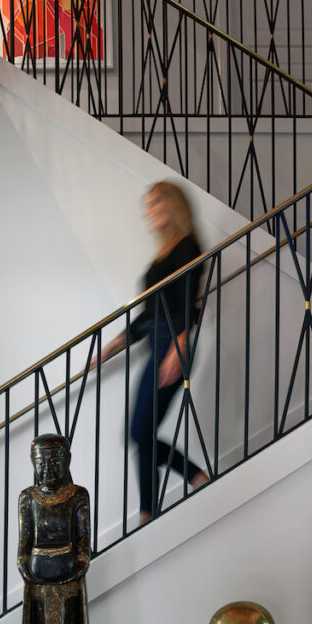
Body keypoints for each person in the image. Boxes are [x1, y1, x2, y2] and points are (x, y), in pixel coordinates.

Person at [98, 181, 210, 525]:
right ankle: (192, 480)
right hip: (157, 341)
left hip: (174, 345)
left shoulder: (188, 247)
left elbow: (190, 301)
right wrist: (115, 344)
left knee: (139, 433)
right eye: (146, 205)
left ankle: (150, 511)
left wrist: (180, 345)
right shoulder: (162, 254)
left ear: (172, 206)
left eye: (155, 203)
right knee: (138, 433)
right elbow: (149, 312)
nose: (148, 211)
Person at [17, 434, 92, 624]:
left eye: (54, 461)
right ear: (34, 464)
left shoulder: (78, 496)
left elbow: (84, 544)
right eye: (41, 461)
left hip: (68, 585)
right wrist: (26, 566)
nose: (48, 468)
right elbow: (23, 546)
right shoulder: (28, 498)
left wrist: (77, 566)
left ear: (66, 462)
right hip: (39, 587)